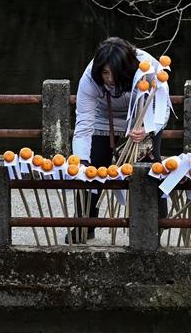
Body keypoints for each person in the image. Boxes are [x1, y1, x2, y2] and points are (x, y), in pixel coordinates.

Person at [68, 36, 170, 244]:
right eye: (105, 73)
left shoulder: (149, 68)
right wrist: (81, 161)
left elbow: (162, 107)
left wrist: (148, 129)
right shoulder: (89, 77)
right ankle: (84, 224)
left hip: (143, 117)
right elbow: (84, 122)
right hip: (104, 117)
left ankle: (155, 225)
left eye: (114, 73)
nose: (110, 79)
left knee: (150, 168)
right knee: (93, 166)